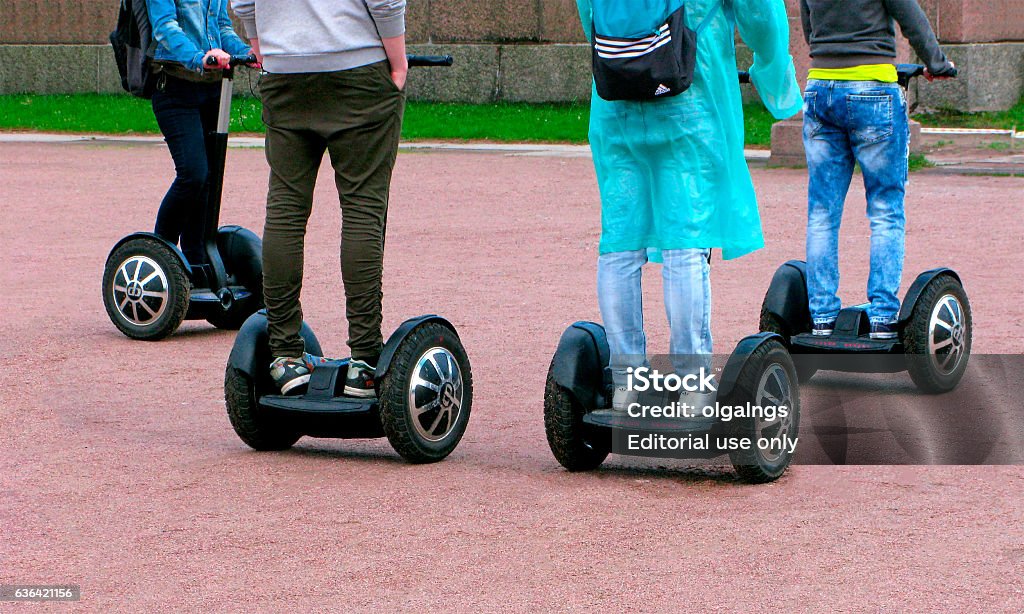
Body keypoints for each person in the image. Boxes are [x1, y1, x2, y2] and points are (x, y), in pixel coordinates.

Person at [576, 0, 802, 412]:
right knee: (686, 244)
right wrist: (773, 72)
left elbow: (590, 14)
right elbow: (762, 16)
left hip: (615, 104)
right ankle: (693, 386)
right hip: (690, 95)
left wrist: (626, 55)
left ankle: (627, 384)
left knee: (620, 244)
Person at [231, 0, 408, 396]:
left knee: (285, 212)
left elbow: (242, 2)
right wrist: (398, 62)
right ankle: (364, 359)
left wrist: (260, 44)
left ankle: (285, 356)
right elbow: (385, 1)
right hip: (357, 62)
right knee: (363, 208)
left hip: (284, 67)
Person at [800, 0, 956, 339]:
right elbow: (908, 14)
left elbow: (809, 27)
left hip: (820, 87)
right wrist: (936, 62)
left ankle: (822, 318)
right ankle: (883, 318)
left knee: (822, 214)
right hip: (872, 87)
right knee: (886, 209)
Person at [147, 0, 251, 265]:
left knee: (208, 181)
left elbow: (222, 26)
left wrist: (246, 53)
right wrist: (198, 58)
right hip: (174, 87)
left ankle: (197, 262)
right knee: (194, 174)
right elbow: (164, 28)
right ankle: (162, 255)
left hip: (212, 88)